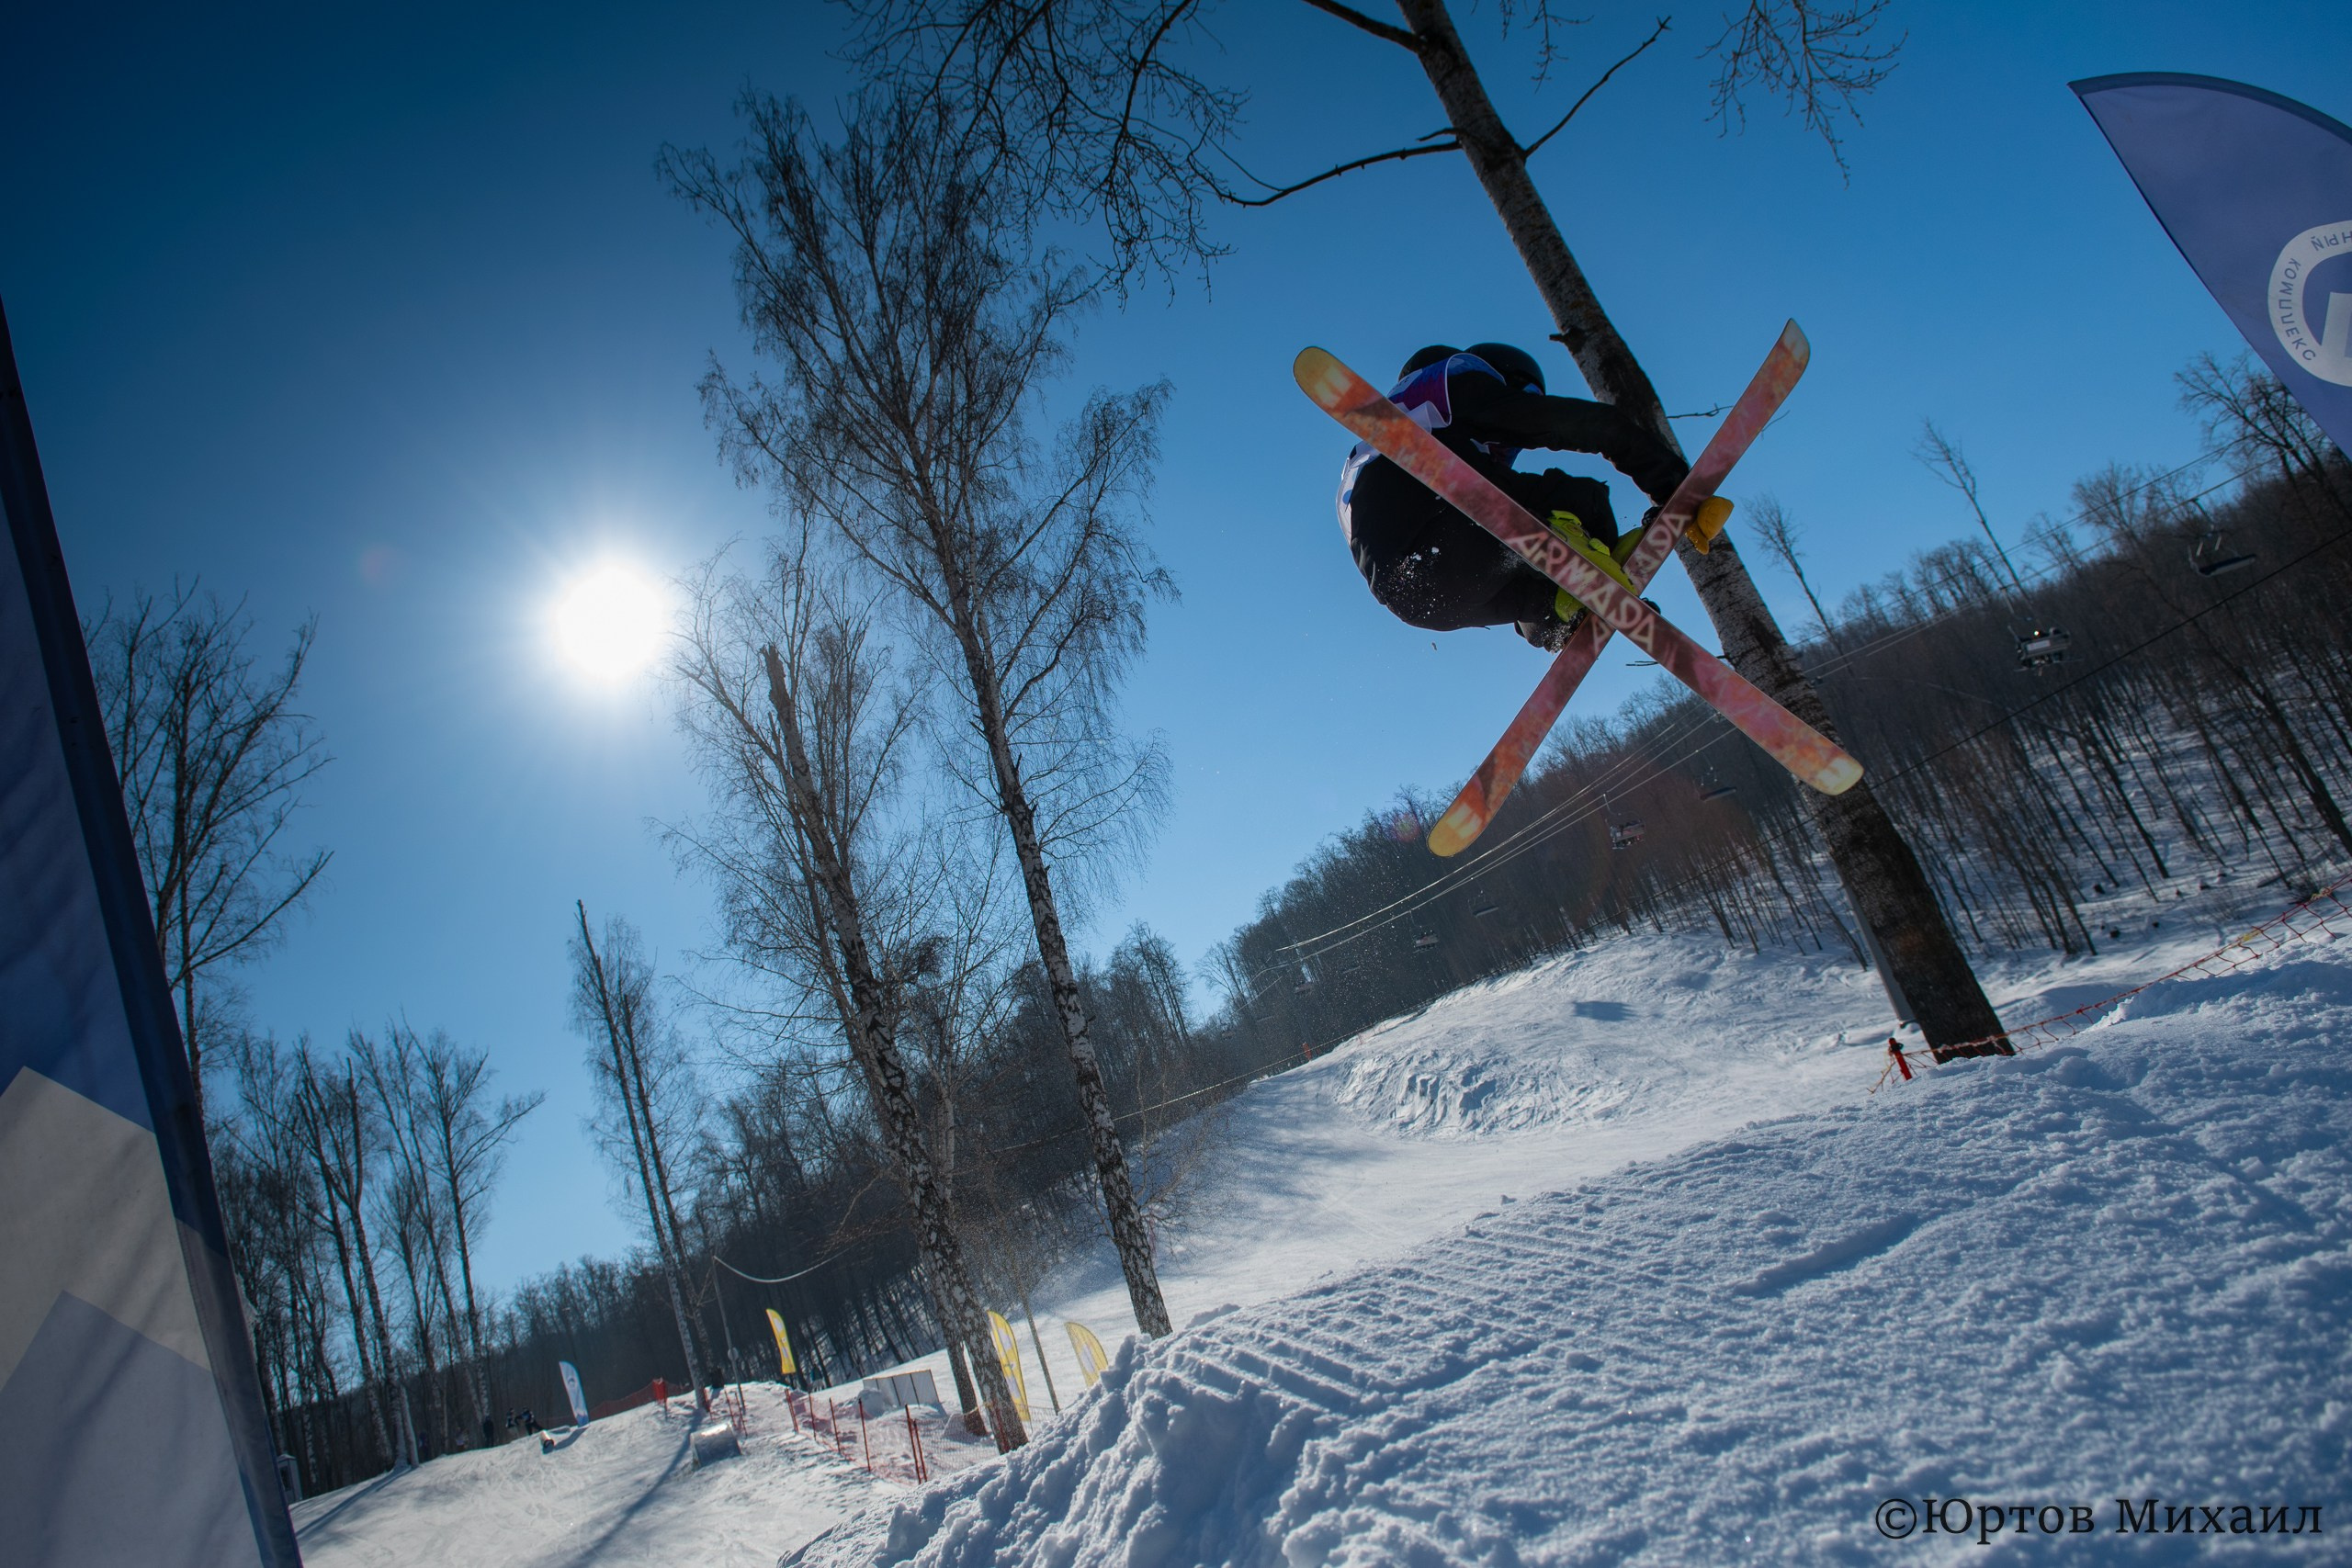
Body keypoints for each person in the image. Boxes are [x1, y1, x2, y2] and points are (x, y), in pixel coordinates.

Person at [1334, 342, 1693, 650]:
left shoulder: (1372, 452)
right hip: (1450, 540)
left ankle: (1556, 610)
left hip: (1418, 602)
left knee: (1533, 597)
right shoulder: (1456, 385)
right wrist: (1673, 485)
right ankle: (1585, 558)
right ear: (1506, 381)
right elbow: (1583, 424)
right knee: (1583, 498)